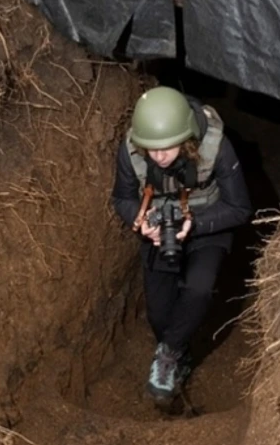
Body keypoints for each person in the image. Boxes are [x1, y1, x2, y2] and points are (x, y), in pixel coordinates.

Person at [111, 85, 253, 403]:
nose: (158, 156)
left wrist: (195, 223)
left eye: (167, 147)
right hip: (160, 228)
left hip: (207, 223)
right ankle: (179, 352)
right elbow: (121, 198)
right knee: (159, 314)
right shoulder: (132, 151)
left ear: (187, 137)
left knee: (199, 288)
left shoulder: (216, 146)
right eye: (151, 148)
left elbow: (239, 208)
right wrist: (141, 221)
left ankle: (169, 355)